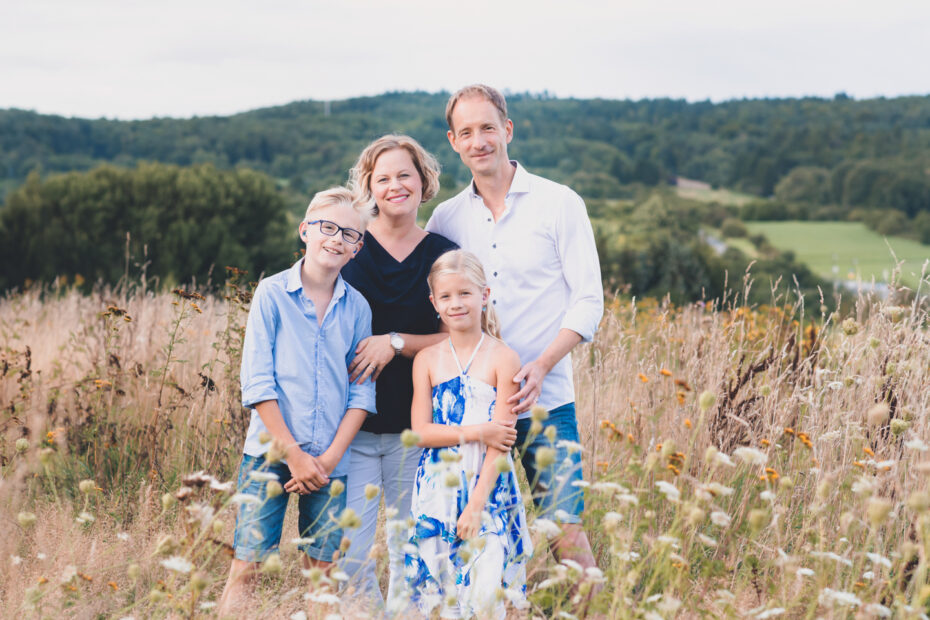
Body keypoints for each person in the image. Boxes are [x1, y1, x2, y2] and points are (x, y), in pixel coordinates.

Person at [425, 85, 604, 575]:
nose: (478, 140)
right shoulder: (447, 218)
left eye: (487, 127)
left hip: (545, 401)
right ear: (453, 142)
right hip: (472, 406)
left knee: (563, 526)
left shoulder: (559, 203)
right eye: (466, 132)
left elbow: (589, 300)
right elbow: (440, 303)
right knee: (469, 530)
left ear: (507, 129)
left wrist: (543, 364)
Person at [217, 187, 376, 615]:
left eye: (349, 234)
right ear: (305, 230)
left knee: (322, 573)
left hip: (330, 460)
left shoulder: (357, 308)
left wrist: (326, 460)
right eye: (327, 227)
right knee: (247, 565)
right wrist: (294, 455)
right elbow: (258, 384)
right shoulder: (271, 294)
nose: (337, 238)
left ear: (357, 249)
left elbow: (361, 392)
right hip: (268, 453)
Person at [338, 134, 461, 610]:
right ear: (368, 186)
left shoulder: (442, 253)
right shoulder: (348, 245)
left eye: (404, 175)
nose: (395, 186)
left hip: (418, 426)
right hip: (352, 425)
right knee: (350, 552)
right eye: (382, 178)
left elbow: (461, 336)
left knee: (410, 550)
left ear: (423, 180)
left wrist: (395, 343)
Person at [403, 249, 532, 619]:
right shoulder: (427, 360)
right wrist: (480, 430)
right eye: (446, 296)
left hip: (487, 489)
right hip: (436, 489)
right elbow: (421, 433)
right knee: (438, 596)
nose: (456, 304)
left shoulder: (503, 357)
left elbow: (501, 443)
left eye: (465, 294)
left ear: (484, 295)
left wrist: (476, 507)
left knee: (484, 591)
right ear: (434, 302)